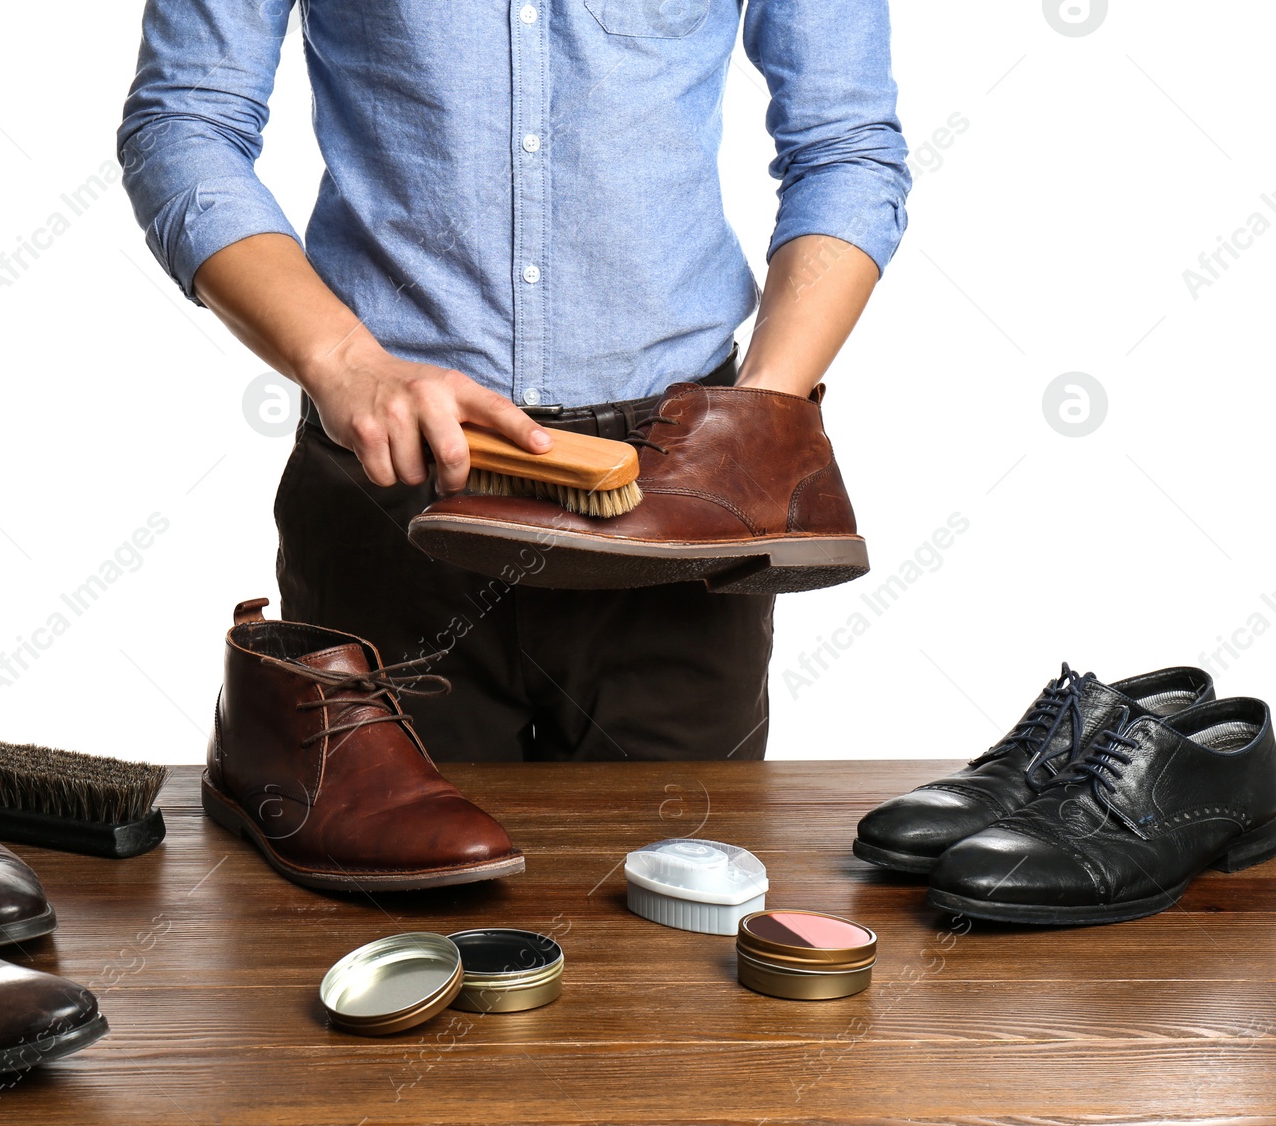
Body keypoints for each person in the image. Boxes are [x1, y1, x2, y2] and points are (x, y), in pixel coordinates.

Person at [119, 0, 910, 762]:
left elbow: (845, 144)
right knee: (389, 894)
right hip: (392, 475)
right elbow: (183, 124)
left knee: (676, 886)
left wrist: (756, 420)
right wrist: (342, 361)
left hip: (684, 496)